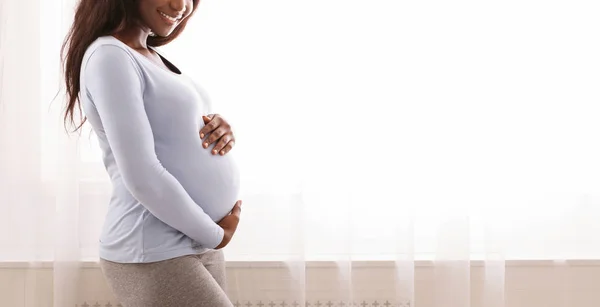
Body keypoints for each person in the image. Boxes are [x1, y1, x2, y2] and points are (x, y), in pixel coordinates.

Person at [61, 0, 242, 306]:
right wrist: (214, 235)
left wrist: (218, 128)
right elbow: (142, 175)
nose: (181, 5)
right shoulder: (109, 56)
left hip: (192, 241)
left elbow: (171, 134)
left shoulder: (146, 55)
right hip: (153, 248)